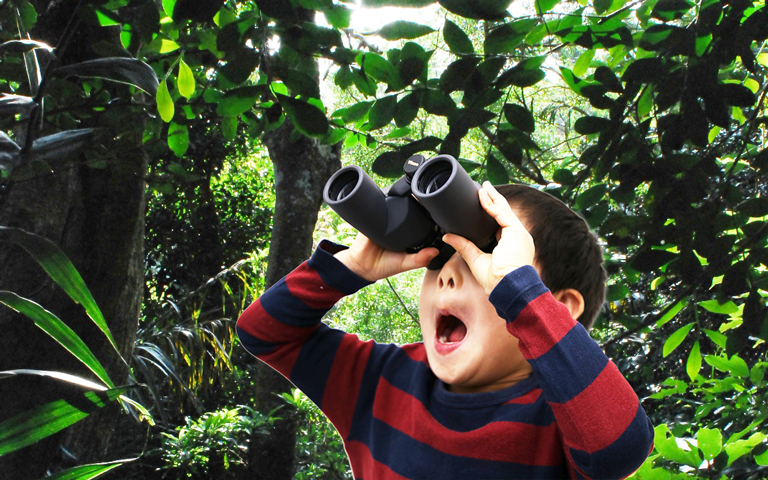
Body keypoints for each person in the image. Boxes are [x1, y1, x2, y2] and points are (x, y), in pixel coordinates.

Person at [237, 182, 654, 479]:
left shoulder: (567, 418)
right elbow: (264, 333)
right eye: (439, 258)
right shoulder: (379, 379)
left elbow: (621, 448)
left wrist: (518, 291)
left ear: (558, 308)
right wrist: (353, 267)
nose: (447, 275)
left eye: (488, 257)